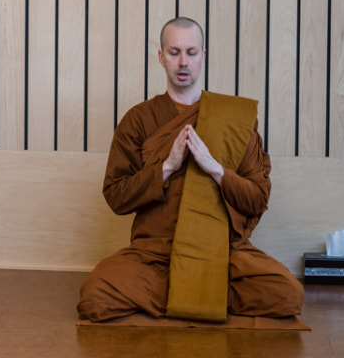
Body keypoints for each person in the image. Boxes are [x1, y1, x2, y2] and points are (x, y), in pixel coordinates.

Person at [77, 17, 304, 322]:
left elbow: (257, 199)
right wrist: (167, 167)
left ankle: (182, 292)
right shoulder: (138, 119)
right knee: (95, 295)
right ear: (161, 57)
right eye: (174, 52)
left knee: (287, 293)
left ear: (203, 56)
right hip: (155, 253)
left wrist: (216, 170)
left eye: (192, 52)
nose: (183, 62)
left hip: (223, 251)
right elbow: (116, 196)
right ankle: (198, 292)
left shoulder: (234, 120)